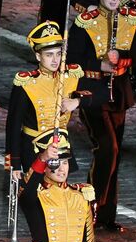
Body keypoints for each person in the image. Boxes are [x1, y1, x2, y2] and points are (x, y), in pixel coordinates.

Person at [68, 0, 136, 233]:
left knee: (115, 155)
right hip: (92, 92)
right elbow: (72, 59)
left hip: (119, 93)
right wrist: (100, 65)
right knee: (107, 149)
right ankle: (91, 208)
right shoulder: (84, 21)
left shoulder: (132, 18)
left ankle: (107, 215)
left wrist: (121, 58)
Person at [6, 22, 89, 180]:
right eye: (49, 55)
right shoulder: (26, 83)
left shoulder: (71, 76)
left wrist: (78, 101)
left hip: (61, 147)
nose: (55, 60)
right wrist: (14, 164)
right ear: (38, 56)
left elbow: (99, 93)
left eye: (58, 54)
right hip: (33, 149)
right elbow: (13, 125)